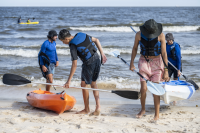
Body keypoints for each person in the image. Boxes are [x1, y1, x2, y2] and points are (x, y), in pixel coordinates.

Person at [58, 29, 107, 115]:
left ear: (66, 39)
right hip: (97, 58)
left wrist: (68, 81)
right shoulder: (81, 34)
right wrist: (102, 53)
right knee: (93, 83)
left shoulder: (72, 45)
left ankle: (87, 109)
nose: (63, 43)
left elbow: (74, 64)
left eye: (62, 41)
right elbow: (96, 40)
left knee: (84, 85)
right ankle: (98, 106)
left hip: (88, 63)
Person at [130, 19, 169, 121]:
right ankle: (143, 109)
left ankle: (156, 115)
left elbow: (164, 53)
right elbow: (134, 48)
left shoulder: (161, 35)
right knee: (143, 89)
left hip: (157, 63)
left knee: (155, 90)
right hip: (144, 61)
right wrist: (131, 62)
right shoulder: (138, 35)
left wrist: (166, 70)